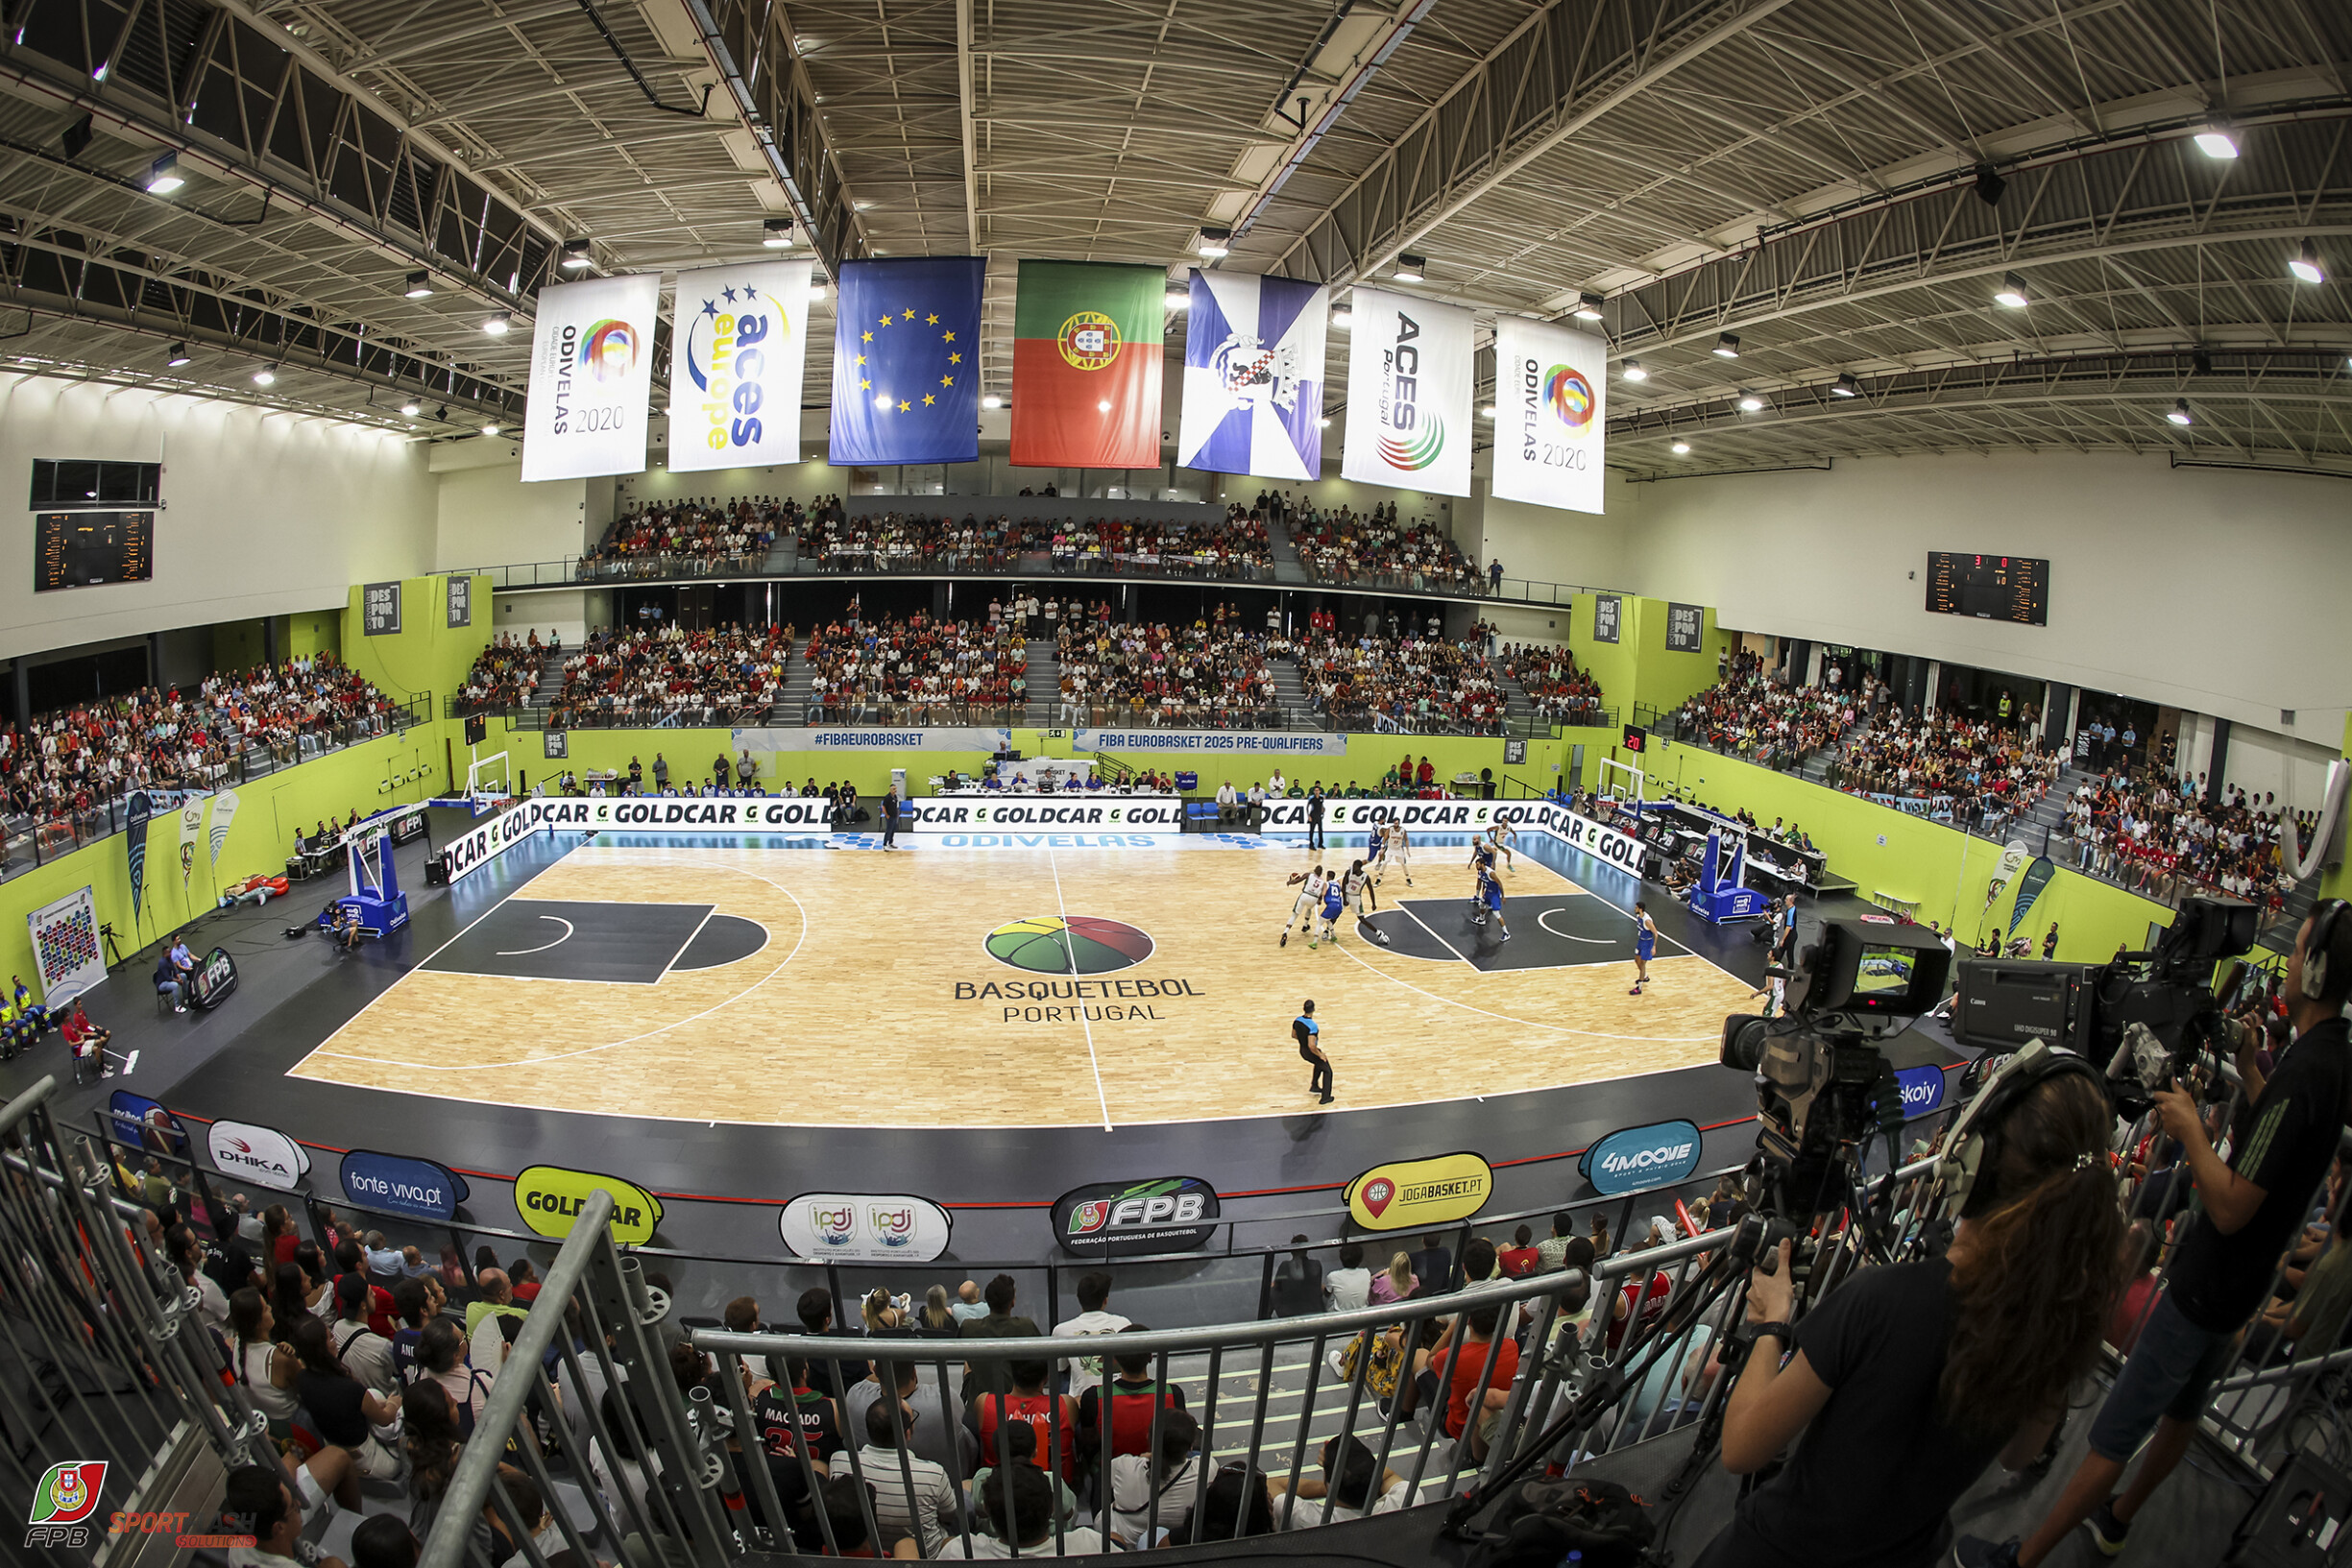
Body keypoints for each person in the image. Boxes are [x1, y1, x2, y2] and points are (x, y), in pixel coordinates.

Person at [1964, 905, 2352, 1568]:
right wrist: (2251, 1069)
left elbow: (2230, 1204)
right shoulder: (2331, 1057)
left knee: (2113, 1433)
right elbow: (2273, 1146)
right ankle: (2115, 1519)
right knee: (2180, 1416)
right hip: (2242, 1286)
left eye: (2296, 953)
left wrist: (2190, 1130)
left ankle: (2020, 1558)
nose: (2286, 963)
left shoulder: (2307, 1073)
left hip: (2206, 1282)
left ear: (2313, 967)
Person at [1697, 1049, 2125, 1568]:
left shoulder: (1883, 1300)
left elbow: (1743, 1448)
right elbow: (2018, 1454)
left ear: (1975, 1159)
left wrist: (1771, 1324)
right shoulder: (2058, 1317)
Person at [1271, 1237, 1324, 1315]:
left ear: (1291, 1251)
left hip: (1289, 1313)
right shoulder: (1316, 1265)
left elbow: (1277, 1288)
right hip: (1314, 1311)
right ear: (1307, 1250)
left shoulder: (1284, 1266)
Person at [1279, 863, 1326, 950]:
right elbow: (1321, 895)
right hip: (1314, 898)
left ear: (1315, 870)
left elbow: (1298, 880)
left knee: (1294, 915)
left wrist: (1290, 882)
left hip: (1305, 895)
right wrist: (1319, 901)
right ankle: (1305, 925)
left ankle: (1285, 933)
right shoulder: (1323, 882)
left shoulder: (1309, 875)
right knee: (1309, 908)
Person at [1294, 1000, 1332, 1104]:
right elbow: (1311, 1045)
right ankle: (1325, 1097)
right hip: (1309, 1051)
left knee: (1318, 1064)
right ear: (1313, 1009)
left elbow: (1293, 1035)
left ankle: (1314, 1086)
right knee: (1328, 1070)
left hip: (1302, 1050)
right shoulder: (1312, 1026)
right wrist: (1320, 1054)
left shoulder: (1297, 1020)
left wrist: (1303, 1040)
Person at [1325, 1242, 1372, 1311]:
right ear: (1360, 1259)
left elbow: (1326, 1294)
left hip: (1340, 1315)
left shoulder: (1333, 1276)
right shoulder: (1366, 1273)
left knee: (1332, 1291)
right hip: (1362, 1314)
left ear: (1341, 1258)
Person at [1630, 901, 1658, 995]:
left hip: (1647, 943)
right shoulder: (1639, 916)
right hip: (1641, 941)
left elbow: (1656, 934)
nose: (1634, 909)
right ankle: (1645, 976)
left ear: (1640, 909)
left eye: (1636, 907)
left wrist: (1654, 947)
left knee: (1642, 963)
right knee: (1637, 960)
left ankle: (1639, 988)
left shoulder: (1647, 921)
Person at [154, 946, 188, 1013]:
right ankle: (177, 1006)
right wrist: (178, 981)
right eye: (169, 952)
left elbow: (175, 970)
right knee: (175, 985)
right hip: (162, 984)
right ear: (165, 954)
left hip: (168, 979)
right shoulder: (162, 963)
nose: (171, 953)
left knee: (183, 976)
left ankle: (186, 998)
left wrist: (179, 978)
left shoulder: (169, 959)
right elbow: (168, 978)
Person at [1306, 784, 1325, 852]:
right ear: (1314, 792)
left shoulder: (1321, 798)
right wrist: (1309, 816)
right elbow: (1307, 807)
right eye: (1315, 791)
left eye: (1318, 790)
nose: (1317, 792)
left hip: (1319, 816)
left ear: (1320, 791)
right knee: (1312, 830)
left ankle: (1320, 843)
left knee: (1320, 830)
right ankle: (1311, 844)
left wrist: (1323, 811)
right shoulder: (1312, 799)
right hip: (1313, 816)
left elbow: (1322, 806)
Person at [881, 786, 901, 851]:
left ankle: (890, 842)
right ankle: (885, 844)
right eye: (893, 789)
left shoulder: (895, 797)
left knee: (893, 830)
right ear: (890, 789)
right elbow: (883, 807)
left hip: (894, 816)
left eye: (895, 789)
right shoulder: (887, 797)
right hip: (889, 816)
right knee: (888, 830)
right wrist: (886, 814)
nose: (895, 790)